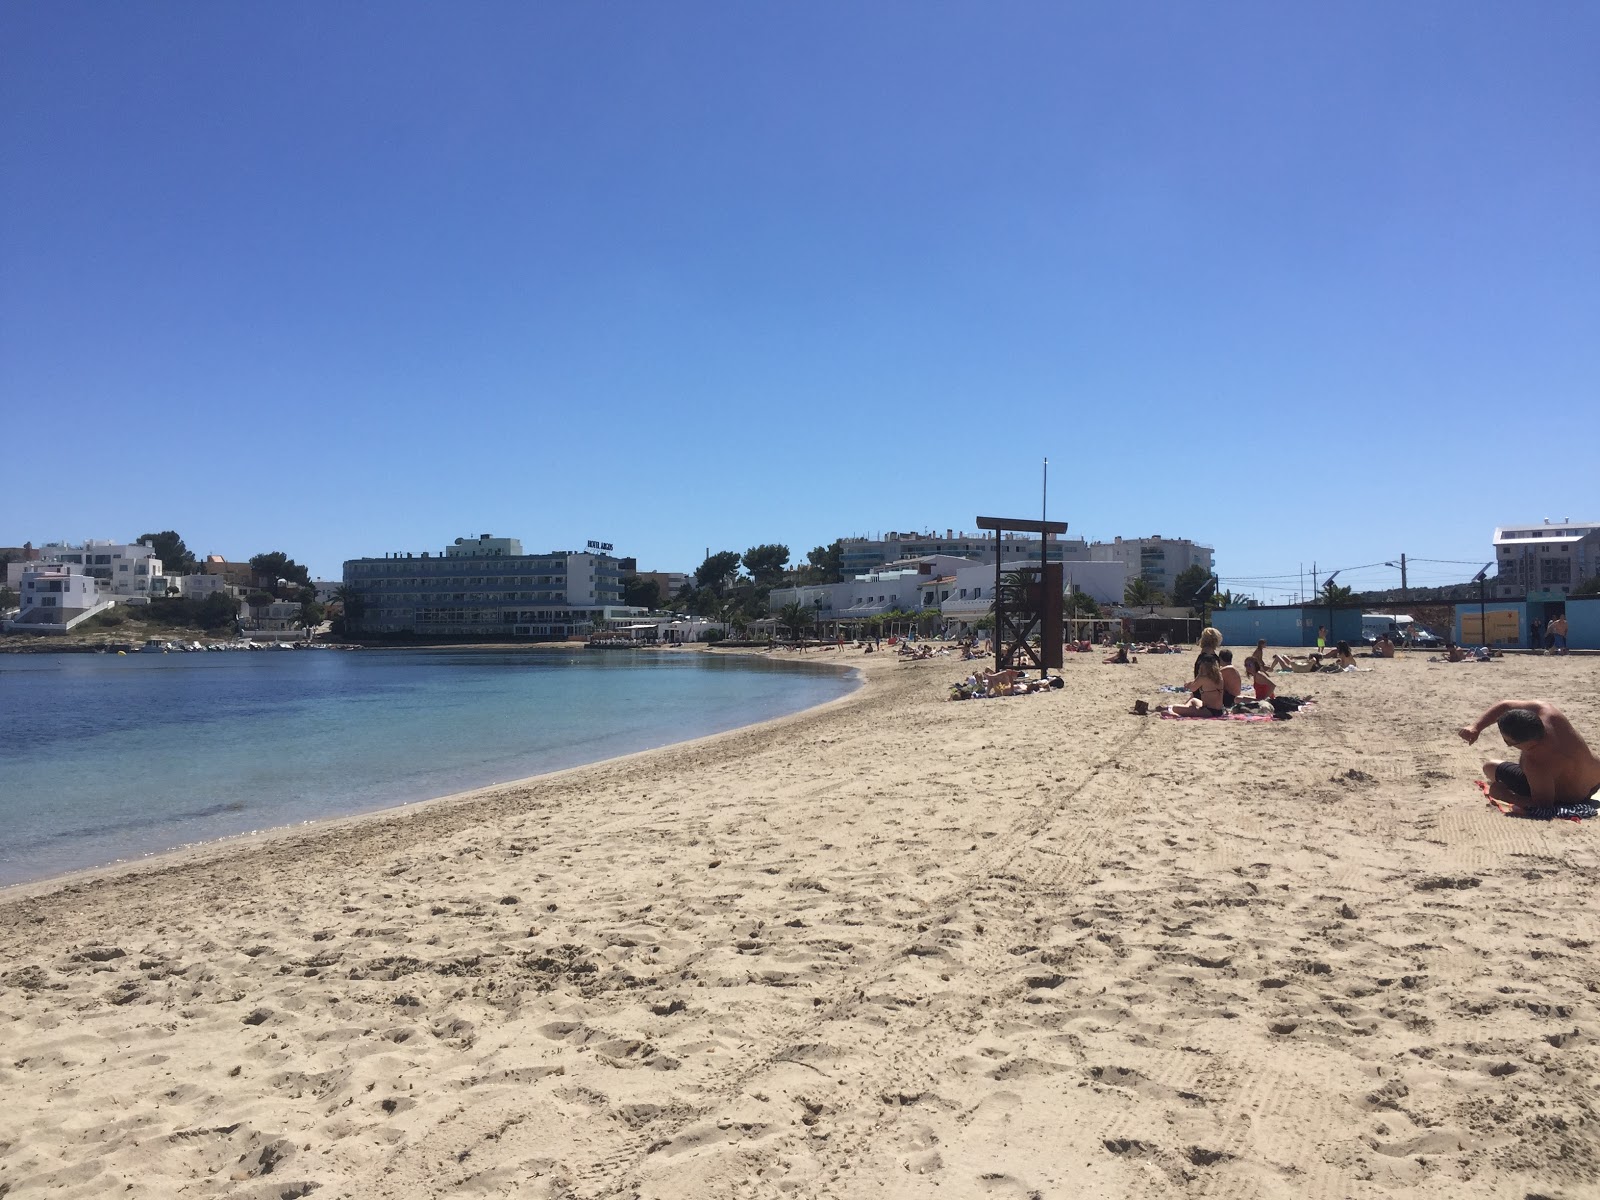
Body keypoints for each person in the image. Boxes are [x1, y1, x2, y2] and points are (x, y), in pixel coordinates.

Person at [1459, 700, 1600, 813]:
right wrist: (1476, 726)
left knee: (1489, 767)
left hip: (1570, 798)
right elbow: (1505, 705)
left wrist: (1506, 796)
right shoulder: (1550, 714)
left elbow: (1544, 805)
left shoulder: (1534, 762)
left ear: (1511, 742)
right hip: (1594, 781)